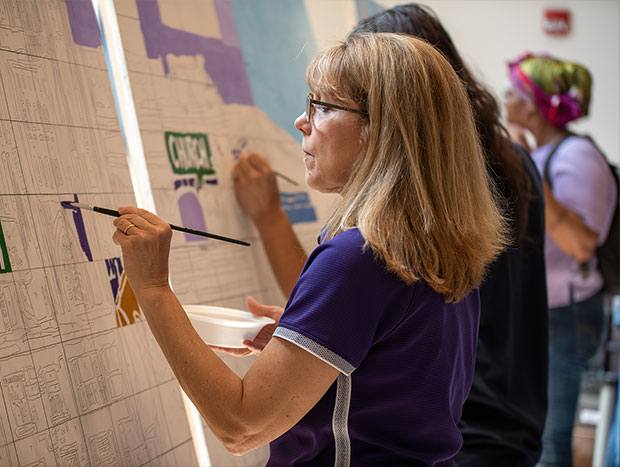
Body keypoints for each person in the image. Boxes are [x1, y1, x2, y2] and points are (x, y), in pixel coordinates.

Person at [113, 33, 507, 465]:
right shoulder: (434, 247)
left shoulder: (359, 258)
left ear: (381, 129)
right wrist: (310, 339)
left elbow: (240, 425)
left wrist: (153, 288)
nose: (302, 121)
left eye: (322, 106)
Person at [233, 4, 549, 465]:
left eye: (326, 103)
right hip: (498, 424)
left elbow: (351, 297)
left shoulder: (381, 241)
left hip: (465, 430)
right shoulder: (502, 165)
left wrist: (268, 222)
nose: (304, 120)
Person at [504, 53, 617, 467]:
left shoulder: (576, 157)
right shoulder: (544, 151)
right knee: (534, 429)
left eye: (512, 93)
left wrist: (523, 167)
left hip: (567, 317)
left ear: (532, 106)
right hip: (546, 311)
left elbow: (581, 244)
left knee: (551, 438)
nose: (504, 99)